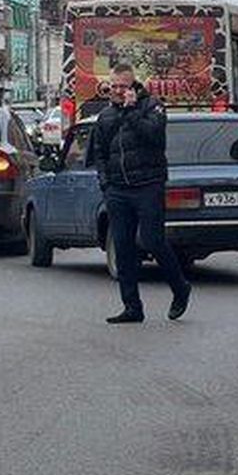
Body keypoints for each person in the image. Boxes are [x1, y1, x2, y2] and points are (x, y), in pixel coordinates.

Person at [91, 64, 192, 323]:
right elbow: (99, 153)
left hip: (148, 184)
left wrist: (133, 110)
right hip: (118, 189)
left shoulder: (152, 107)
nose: (116, 91)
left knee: (152, 240)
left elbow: (154, 136)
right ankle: (132, 307)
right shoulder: (105, 116)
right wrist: (106, 182)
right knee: (123, 248)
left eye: (122, 86)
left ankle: (180, 288)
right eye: (113, 86)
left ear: (133, 86)